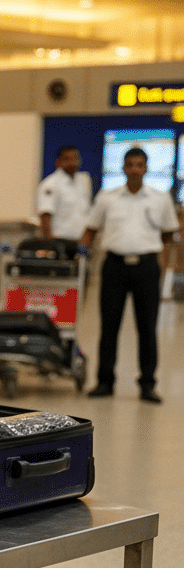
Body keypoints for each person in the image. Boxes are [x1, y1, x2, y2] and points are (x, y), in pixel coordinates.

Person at [80, 147, 179, 403]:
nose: (134, 169)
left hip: (147, 268)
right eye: (130, 164)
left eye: (139, 164)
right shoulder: (107, 197)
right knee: (109, 326)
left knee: (147, 328)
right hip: (114, 266)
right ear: (123, 168)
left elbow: (169, 234)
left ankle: (147, 384)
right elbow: (91, 229)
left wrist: (165, 264)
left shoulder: (159, 199)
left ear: (146, 168)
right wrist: (79, 254)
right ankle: (104, 381)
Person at [37, 145, 92, 241]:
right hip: (59, 240)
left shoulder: (82, 181)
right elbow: (45, 216)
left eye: (75, 158)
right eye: (67, 159)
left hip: (80, 240)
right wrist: (49, 244)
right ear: (59, 162)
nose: (72, 162)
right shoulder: (50, 184)